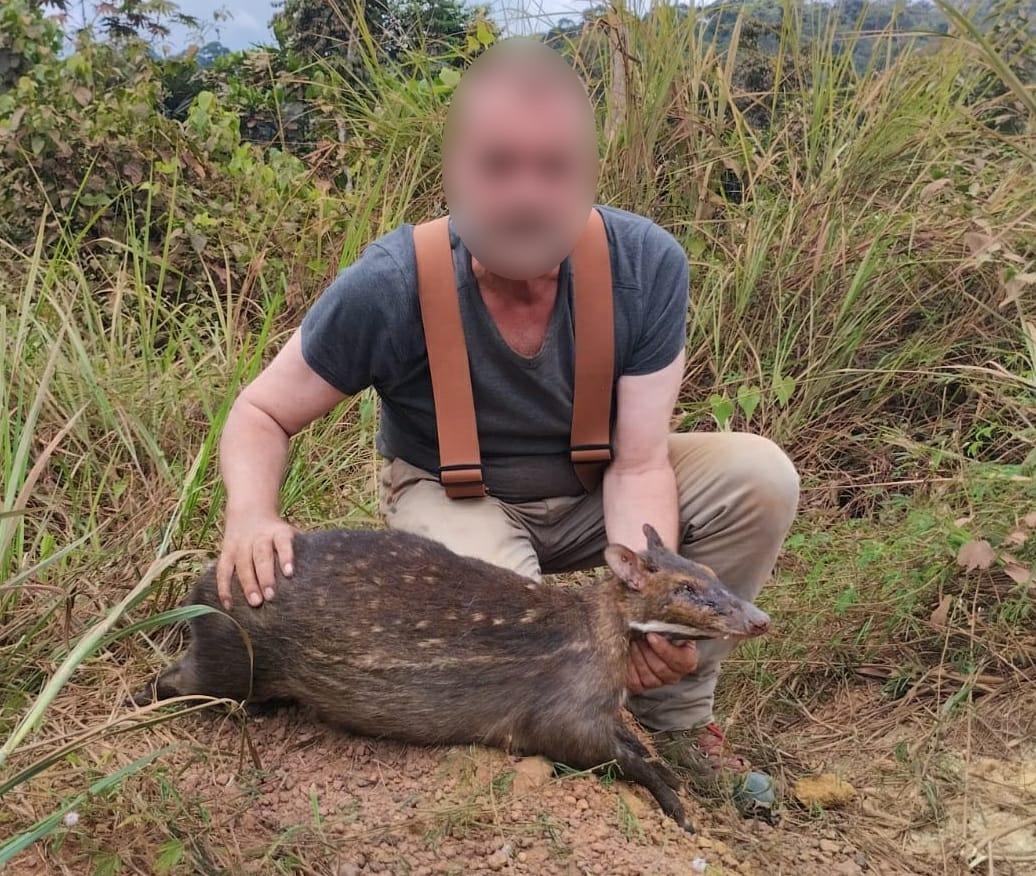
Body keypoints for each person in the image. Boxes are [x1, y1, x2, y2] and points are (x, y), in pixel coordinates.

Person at [213, 36, 799, 811]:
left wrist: (647, 621)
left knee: (760, 476)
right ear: (453, 171)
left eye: (553, 168)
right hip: (459, 494)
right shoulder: (391, 281)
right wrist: (251, 513)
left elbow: (638, 463)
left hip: (595, 490)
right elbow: (261, 411)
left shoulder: (647, 264)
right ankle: (552, 747)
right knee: (516, 640)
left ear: (590, 175)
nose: (526, 195)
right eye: (497, 165)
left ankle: (674, 717)